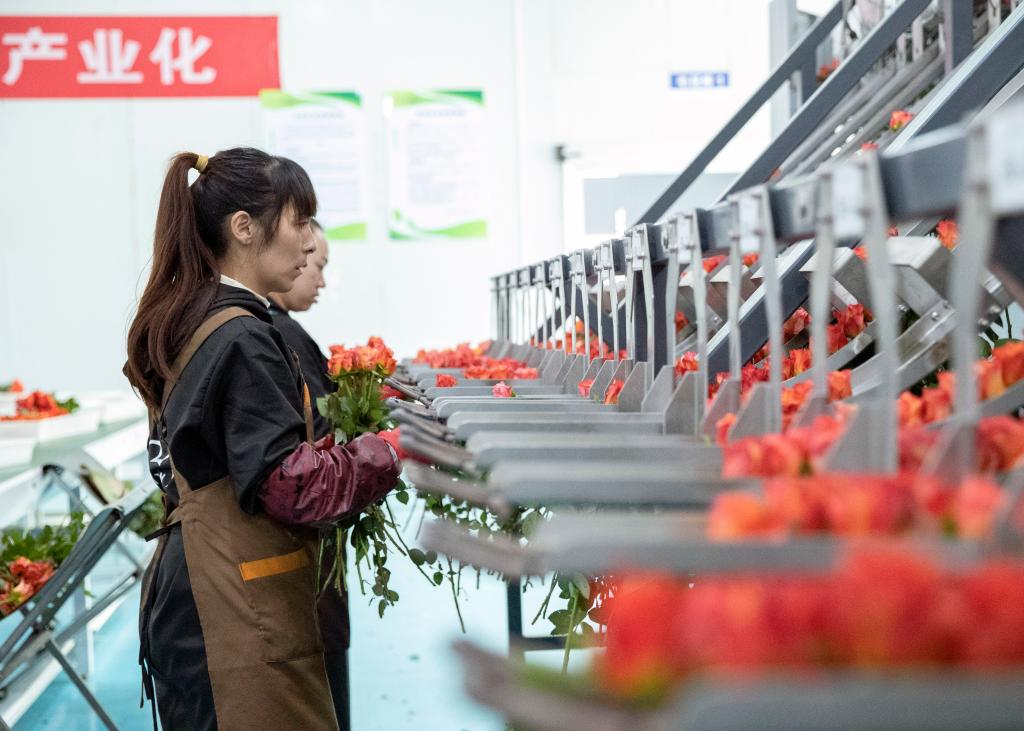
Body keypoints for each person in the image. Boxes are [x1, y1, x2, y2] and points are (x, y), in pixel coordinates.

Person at [124, 148, 401, 731]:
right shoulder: (245, 336)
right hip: (226, 612)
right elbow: (290, 486)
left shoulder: (199, 315)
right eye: (299, 221)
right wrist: (393, 450)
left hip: (196, 590)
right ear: (245, 228)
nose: (309, 243)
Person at [267, 220, 351, 728]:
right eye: (314, 262)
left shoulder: (278, 329)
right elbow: (310, 440)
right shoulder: (269, 333)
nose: (313, 274)